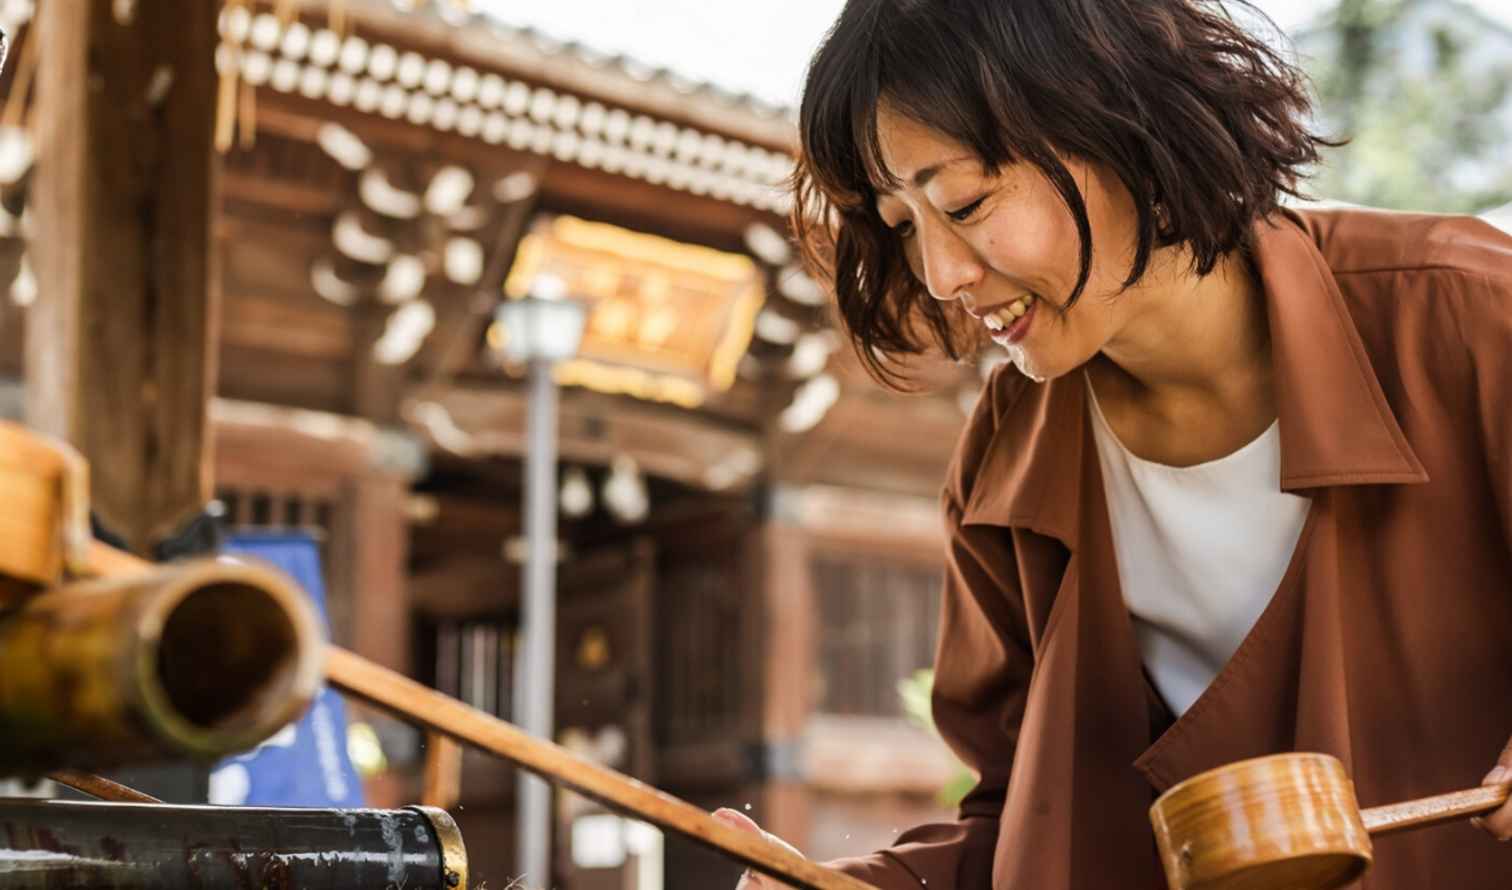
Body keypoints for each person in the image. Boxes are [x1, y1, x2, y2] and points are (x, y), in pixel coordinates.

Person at [712, 0, 1512, 887]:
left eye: (966, 202)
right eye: (904, 227)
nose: (940, 275)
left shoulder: (1470, 320)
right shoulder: (1004, 455)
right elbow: (1021, 817)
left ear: (1119, 121)